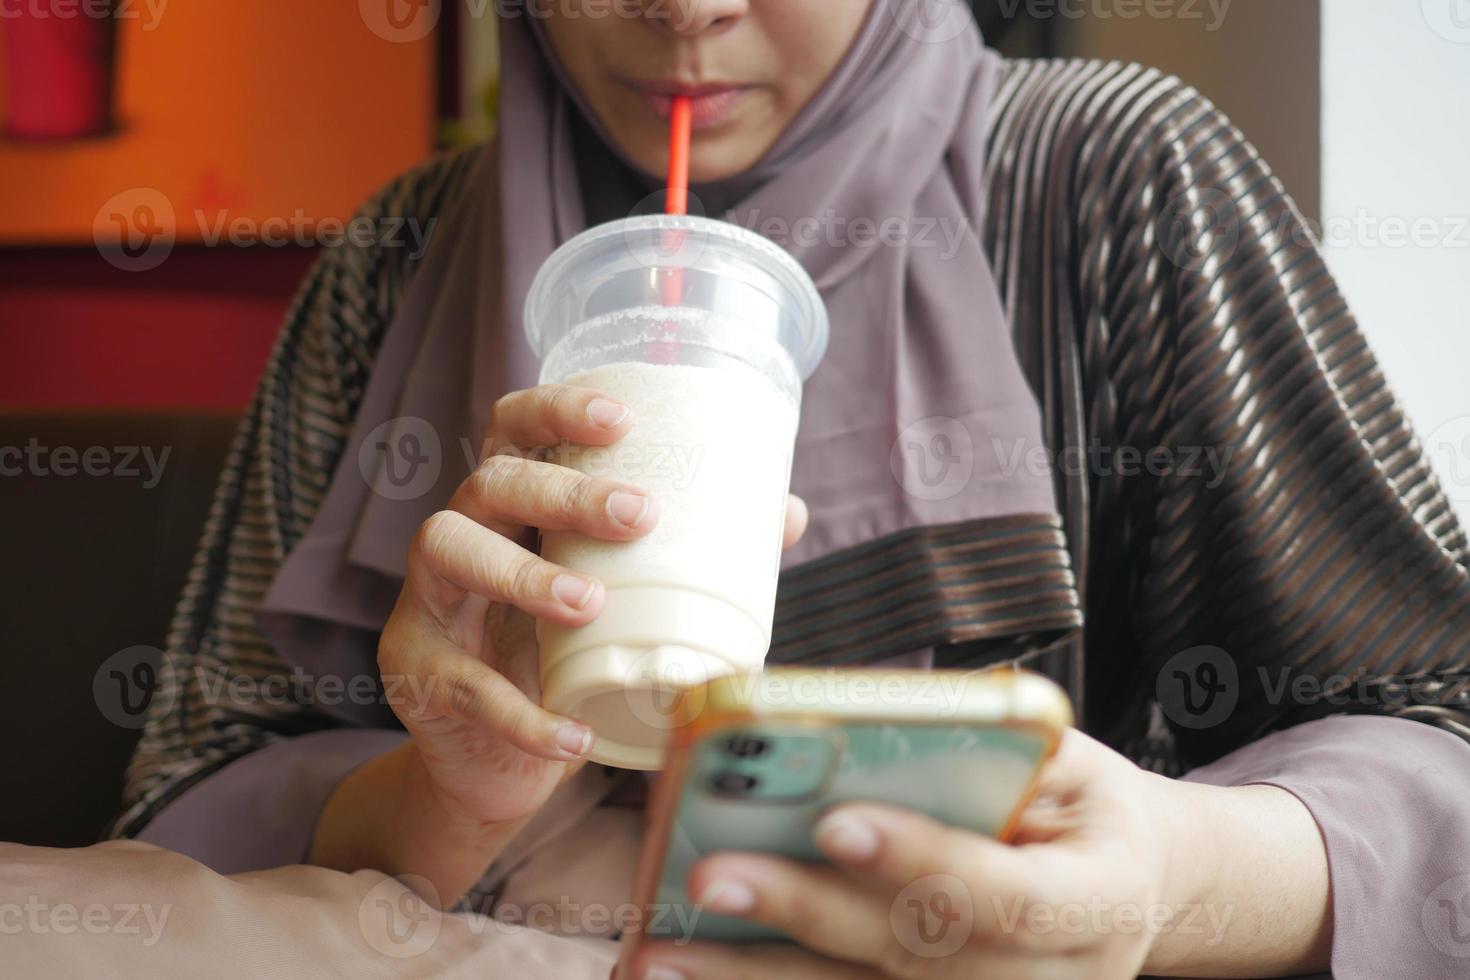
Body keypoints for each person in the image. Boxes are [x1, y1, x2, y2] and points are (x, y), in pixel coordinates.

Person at [115, 1, 1470, 977]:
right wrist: (446, 791)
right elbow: (186, 799)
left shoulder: (1115, 172)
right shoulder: (396, 257)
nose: (684, 14)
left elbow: (1437, 724)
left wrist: (1166, 880)